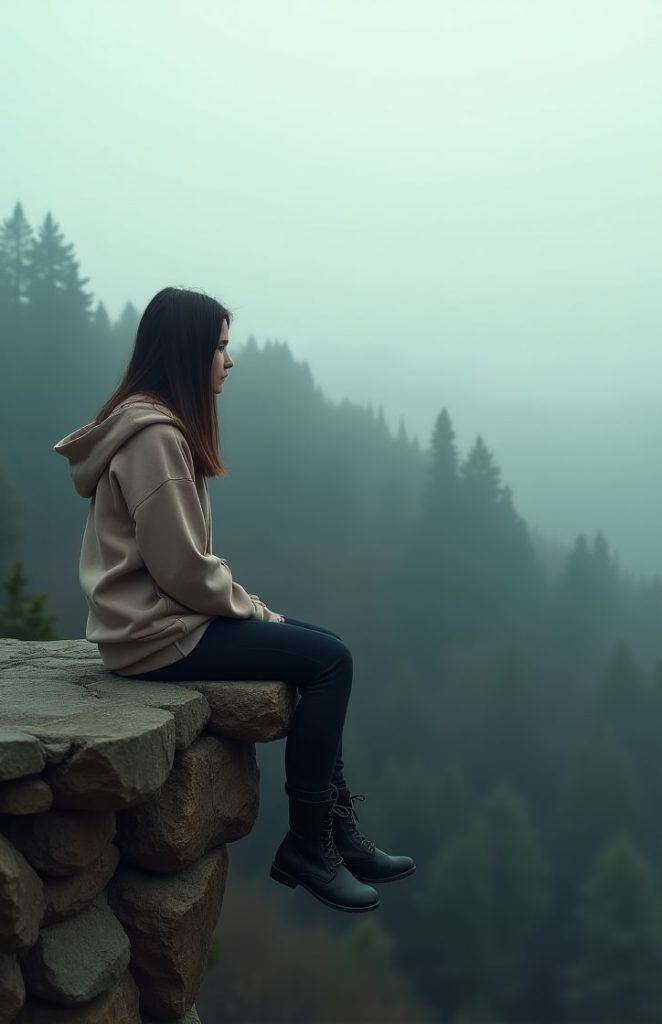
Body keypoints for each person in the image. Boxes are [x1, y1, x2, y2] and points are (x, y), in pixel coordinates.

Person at [53, 286, 414, 913]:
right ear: (189, 352)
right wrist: (250, 608)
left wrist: (250, 608)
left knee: (319, 651)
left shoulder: (151, 427)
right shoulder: (154, 440)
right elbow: (184, 571)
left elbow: (180, 568)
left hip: (157, 625)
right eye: (220, 346)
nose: (230, 360)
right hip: (156, 636)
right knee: (330, 662)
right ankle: (309, 843)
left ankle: (336, 833)